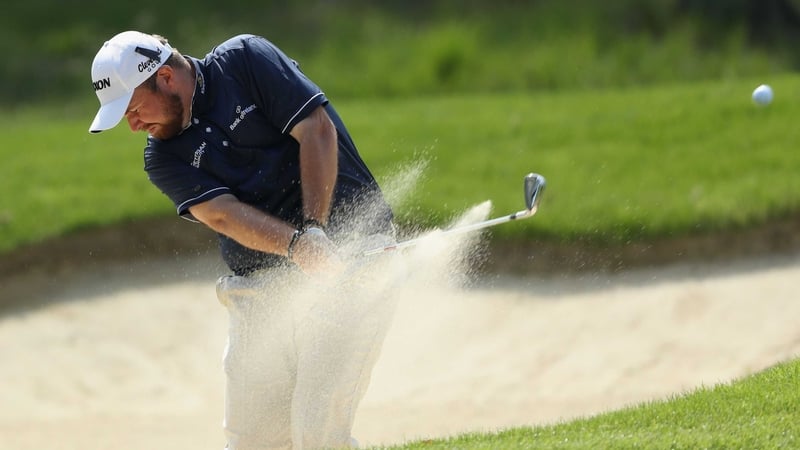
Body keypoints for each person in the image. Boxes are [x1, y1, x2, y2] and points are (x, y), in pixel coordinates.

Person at [88, 31, 397, 450]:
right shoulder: (162, 157)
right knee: (253, 443)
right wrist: (298, 245)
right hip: (261, 286)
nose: (134, 125)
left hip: (351, 254)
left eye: (134, 109)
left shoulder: (245, 61)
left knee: (317, 432)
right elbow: (222, 214)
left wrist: (316, 231)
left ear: (165, 78)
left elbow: (317, 130)